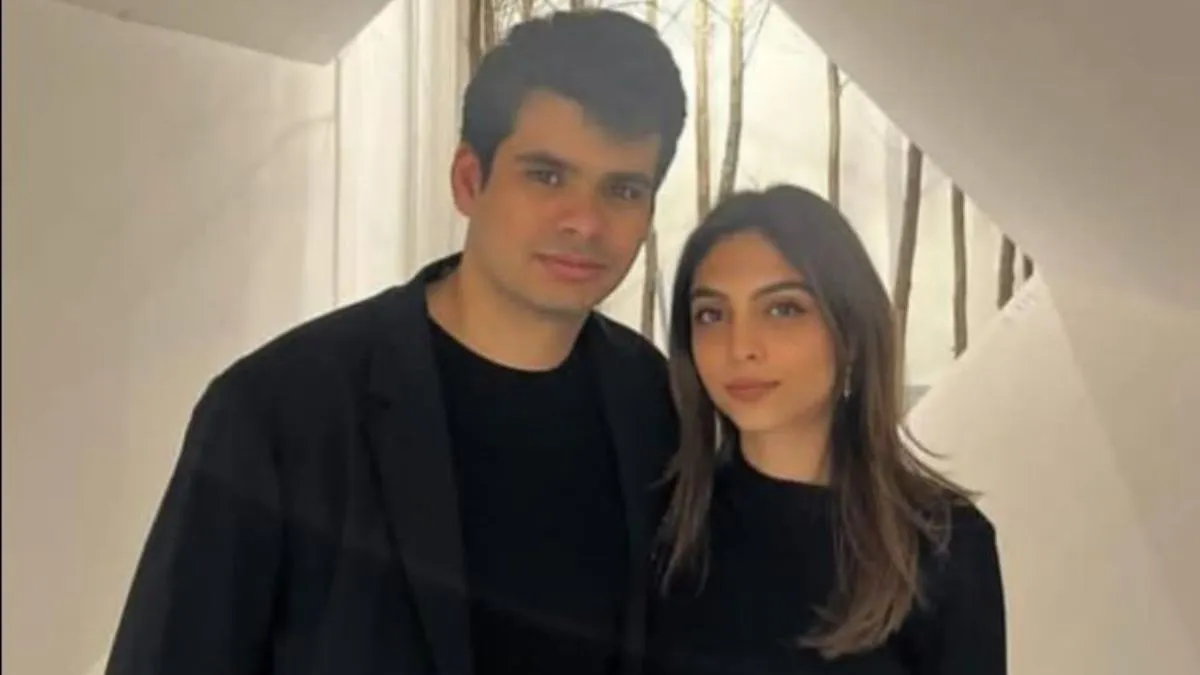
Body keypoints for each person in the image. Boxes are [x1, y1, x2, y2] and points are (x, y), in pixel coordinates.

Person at [105, 9, 686, 675]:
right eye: (546, 176)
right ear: (468, 180)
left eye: (623, 189)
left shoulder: (655, 403)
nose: (585, 221)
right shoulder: (278, 411)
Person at [647, 185, 1007, 675]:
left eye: (782, 309)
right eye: (711, 314)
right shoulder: (662, 528)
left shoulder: (946, 544)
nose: (740, 346)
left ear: (852, 333)